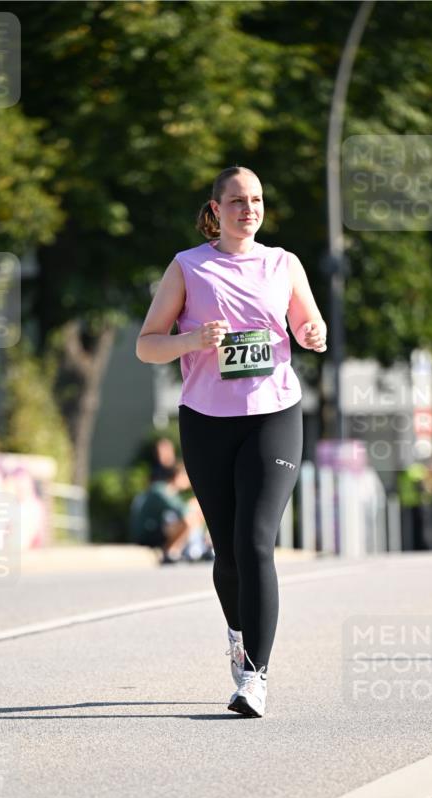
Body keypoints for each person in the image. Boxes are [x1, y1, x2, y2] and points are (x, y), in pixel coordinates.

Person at [136, 165, 326, 717]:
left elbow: (310, 326)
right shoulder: (188, 266)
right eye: (238, 201)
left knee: (255, 542)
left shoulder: (283, 263)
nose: (250, 209)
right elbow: (147, 345)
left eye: (257, 200)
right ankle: (239, 637)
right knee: (228, 551)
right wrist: (192, 339)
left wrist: (312, 333)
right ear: (216, 209)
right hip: (206, 420)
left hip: (274, 415)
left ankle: (255, 677)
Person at [129, 462, 213, 564]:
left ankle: (200, 547)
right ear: (177, 476)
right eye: (185, 475)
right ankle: (170, 552)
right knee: (189, 520)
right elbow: (183, 511)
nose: (188, 479)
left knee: (193, 515)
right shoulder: (160, 490)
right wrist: (193, 505)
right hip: (147, 534)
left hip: (155, 529)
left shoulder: (166, 490)